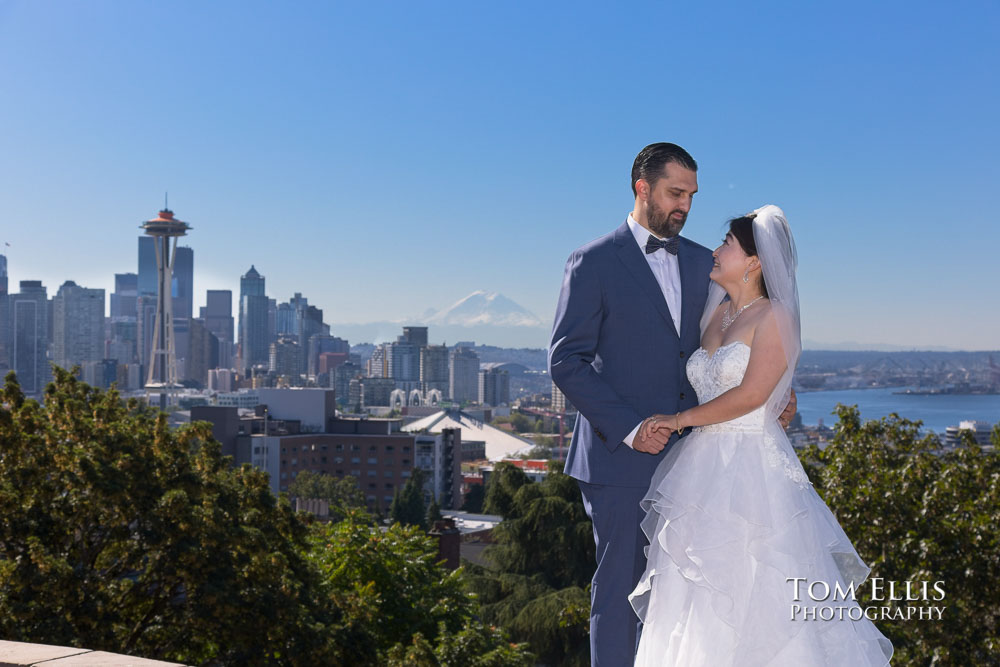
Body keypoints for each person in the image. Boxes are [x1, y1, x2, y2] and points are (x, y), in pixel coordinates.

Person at [549, 143, 794, 665]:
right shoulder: (591, 262)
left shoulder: (704, 262)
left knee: (695, 599)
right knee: (620, 595)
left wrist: (778, 390)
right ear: (642, 187)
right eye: (674, 193)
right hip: (621, 460)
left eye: (692, 196)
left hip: (704, 465)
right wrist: (632, 427)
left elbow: (742, 337)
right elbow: (566, 361)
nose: (684, 205)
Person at [629, 206, 894, 665]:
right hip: (700, 472)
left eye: (727, 244)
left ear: (754, 261)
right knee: (693, 590)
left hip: (751, 472)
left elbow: (753, 394)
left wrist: (678, 420)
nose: (715, 251)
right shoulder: (716, 317)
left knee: (757, 585)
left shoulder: (774, 316)